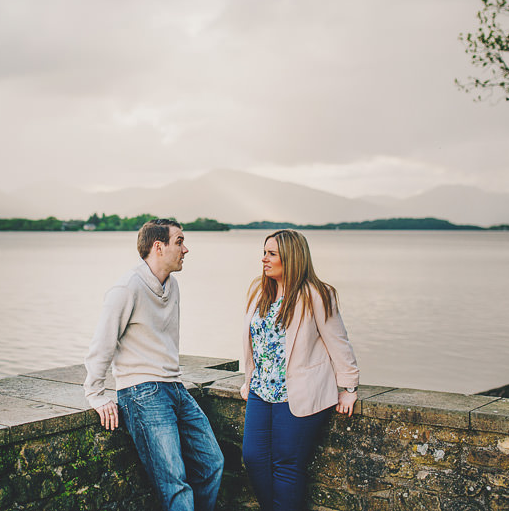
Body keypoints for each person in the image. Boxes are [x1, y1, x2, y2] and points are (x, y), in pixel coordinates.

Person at [84, 218, 224, 511]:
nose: (186, 249)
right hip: (141, 392)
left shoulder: (172, 286)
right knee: (174, 483)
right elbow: (102, 344)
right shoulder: (126, 288)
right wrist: (95, 395)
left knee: (212, 462)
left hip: (175, 387)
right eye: (180, 242)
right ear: (158, 247)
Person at [240, 229, 359, 511]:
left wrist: (349, 388)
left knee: (287, 463)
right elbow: (255, 340)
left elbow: (338, 342)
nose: (264, 259)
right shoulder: (261, 291)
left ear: (291, 258)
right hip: (260, 391)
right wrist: (248, 379)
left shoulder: (318, 294)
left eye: (271, 254)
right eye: (264, 252)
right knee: (254, 458)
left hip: (298, 393)